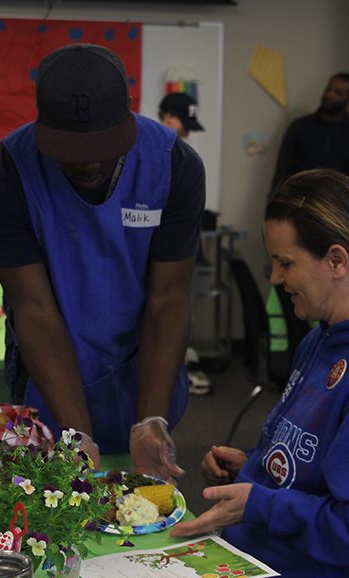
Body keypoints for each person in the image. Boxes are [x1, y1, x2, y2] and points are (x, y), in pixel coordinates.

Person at [171, 169, 349, 578]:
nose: (276, 279)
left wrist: (261, 503)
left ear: (337, 261)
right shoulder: (324, 339)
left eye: (286, 263)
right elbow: (323, 464)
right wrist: (256, 465)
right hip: (261, 561)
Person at [0, 44, 205, 481]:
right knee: (58, 505)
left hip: (145, 363)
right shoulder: (4, 175)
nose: (89, 162)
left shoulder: (174, 166)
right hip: (51, 369)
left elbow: (169, 298)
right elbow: (34, 309)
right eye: (71, 150)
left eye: (103, 146)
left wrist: (151, 418)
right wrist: (74, 431)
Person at [157, 92, 212, 396]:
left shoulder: (184, 158)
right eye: (183, 123)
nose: (187, 132)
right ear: (167, 117)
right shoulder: (156, 156)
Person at [269, 73, 349, 195]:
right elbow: (282, 173)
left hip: (336, 208)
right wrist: (274, 205)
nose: (329, 95)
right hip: (298, 204)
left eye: (338, 92)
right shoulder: (299, 127)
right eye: (328, 89)